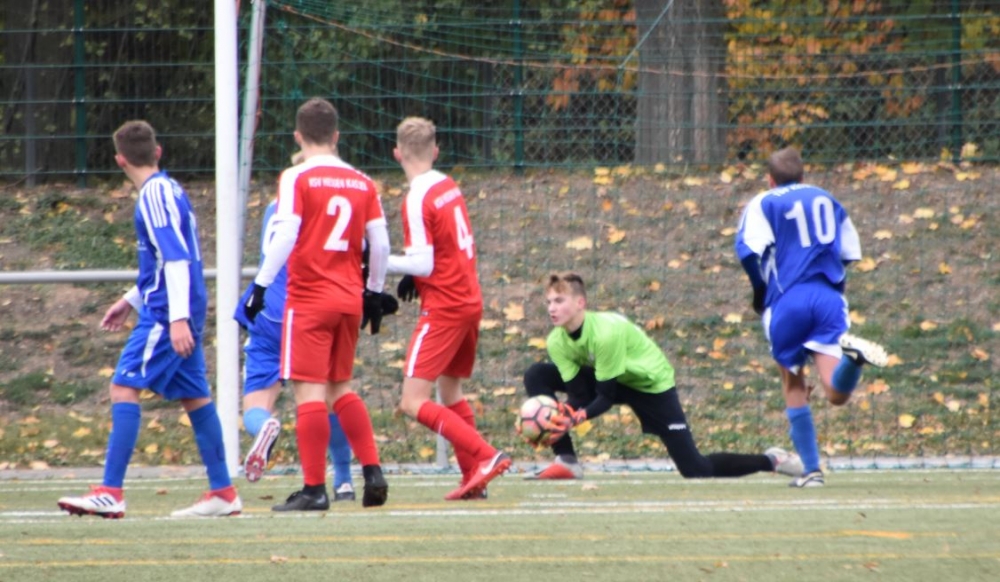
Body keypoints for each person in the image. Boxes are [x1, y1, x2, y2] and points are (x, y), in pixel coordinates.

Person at [58, 120, 242, 518]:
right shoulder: (169, 189)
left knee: (124, 387)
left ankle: (111, 491)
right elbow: (165, 260)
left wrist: (176, 319)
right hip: (178, 304)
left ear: (119, 160)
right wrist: (130, 298)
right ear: (157, 152)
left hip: (168, 311)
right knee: (195, 396)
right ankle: (223, 492)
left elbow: (175, 259)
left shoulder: (155, 194)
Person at [243, 98, 392, 510]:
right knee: (340, 388)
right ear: (336, 136)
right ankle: (373, 471)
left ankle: (314, 489)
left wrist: (260, 285)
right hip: (348, 300)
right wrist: (374, 291)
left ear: (298, 136)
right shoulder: (363, 181)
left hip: (309, 299)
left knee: (309, 393)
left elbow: (287, 233)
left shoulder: (296, 177)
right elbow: (380, 243)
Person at [522, 272, 802, 482]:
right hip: (611, 379)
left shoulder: (605, 333)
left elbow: (604, 397)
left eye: (559, 300)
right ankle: (567, 460)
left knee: (696, 469)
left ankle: (772, 460)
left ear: (580, 302)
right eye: (549, 302)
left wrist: (574, 418)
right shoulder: (557, 340)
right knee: (537, 374)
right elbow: (579, 395)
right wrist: (550, 422)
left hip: (650, 385)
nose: (551, 308)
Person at [734, 147, 888, 488]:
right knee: (835, 393)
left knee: (794, 384)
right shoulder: (825, 198)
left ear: (770, 179)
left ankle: (812, 471)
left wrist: (759, 293)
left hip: (787, 301)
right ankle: (854, 361)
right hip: (828, 299)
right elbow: (848, 253)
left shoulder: (764, 201)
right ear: (803, 176)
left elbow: (747, 252)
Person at [387, 117, 510, 501]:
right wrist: (416, 273)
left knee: (412, 401)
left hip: (444, 306)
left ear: (397, 154)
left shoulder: (416, 198)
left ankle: (486, 456)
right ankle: (474, 477)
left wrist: (377, 261)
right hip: (469, 299)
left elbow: (422, 262)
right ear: (436, 151)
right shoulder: (447, 185)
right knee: (450, 390)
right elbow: (443, 248)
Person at [235, 186, 356, 501]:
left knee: (256, 403)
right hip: (306, 309)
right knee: (325, 397)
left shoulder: (272, 206)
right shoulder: (320, 205)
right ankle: (343, 480)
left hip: (266, 310)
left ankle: (264, 425)